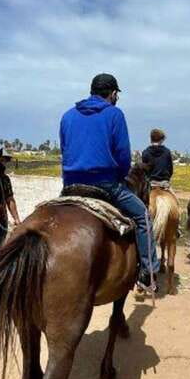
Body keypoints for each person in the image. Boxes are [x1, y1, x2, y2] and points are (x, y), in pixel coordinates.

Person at [59, 73, 160, 293]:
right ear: (113, 94)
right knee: (143, 216)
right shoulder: (115, 114)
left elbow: (65, 153)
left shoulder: (67, 116)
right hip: (105, 184)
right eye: (117, 95)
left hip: (70, 186)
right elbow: (123, 155)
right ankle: (148, 272)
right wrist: (120, 177)